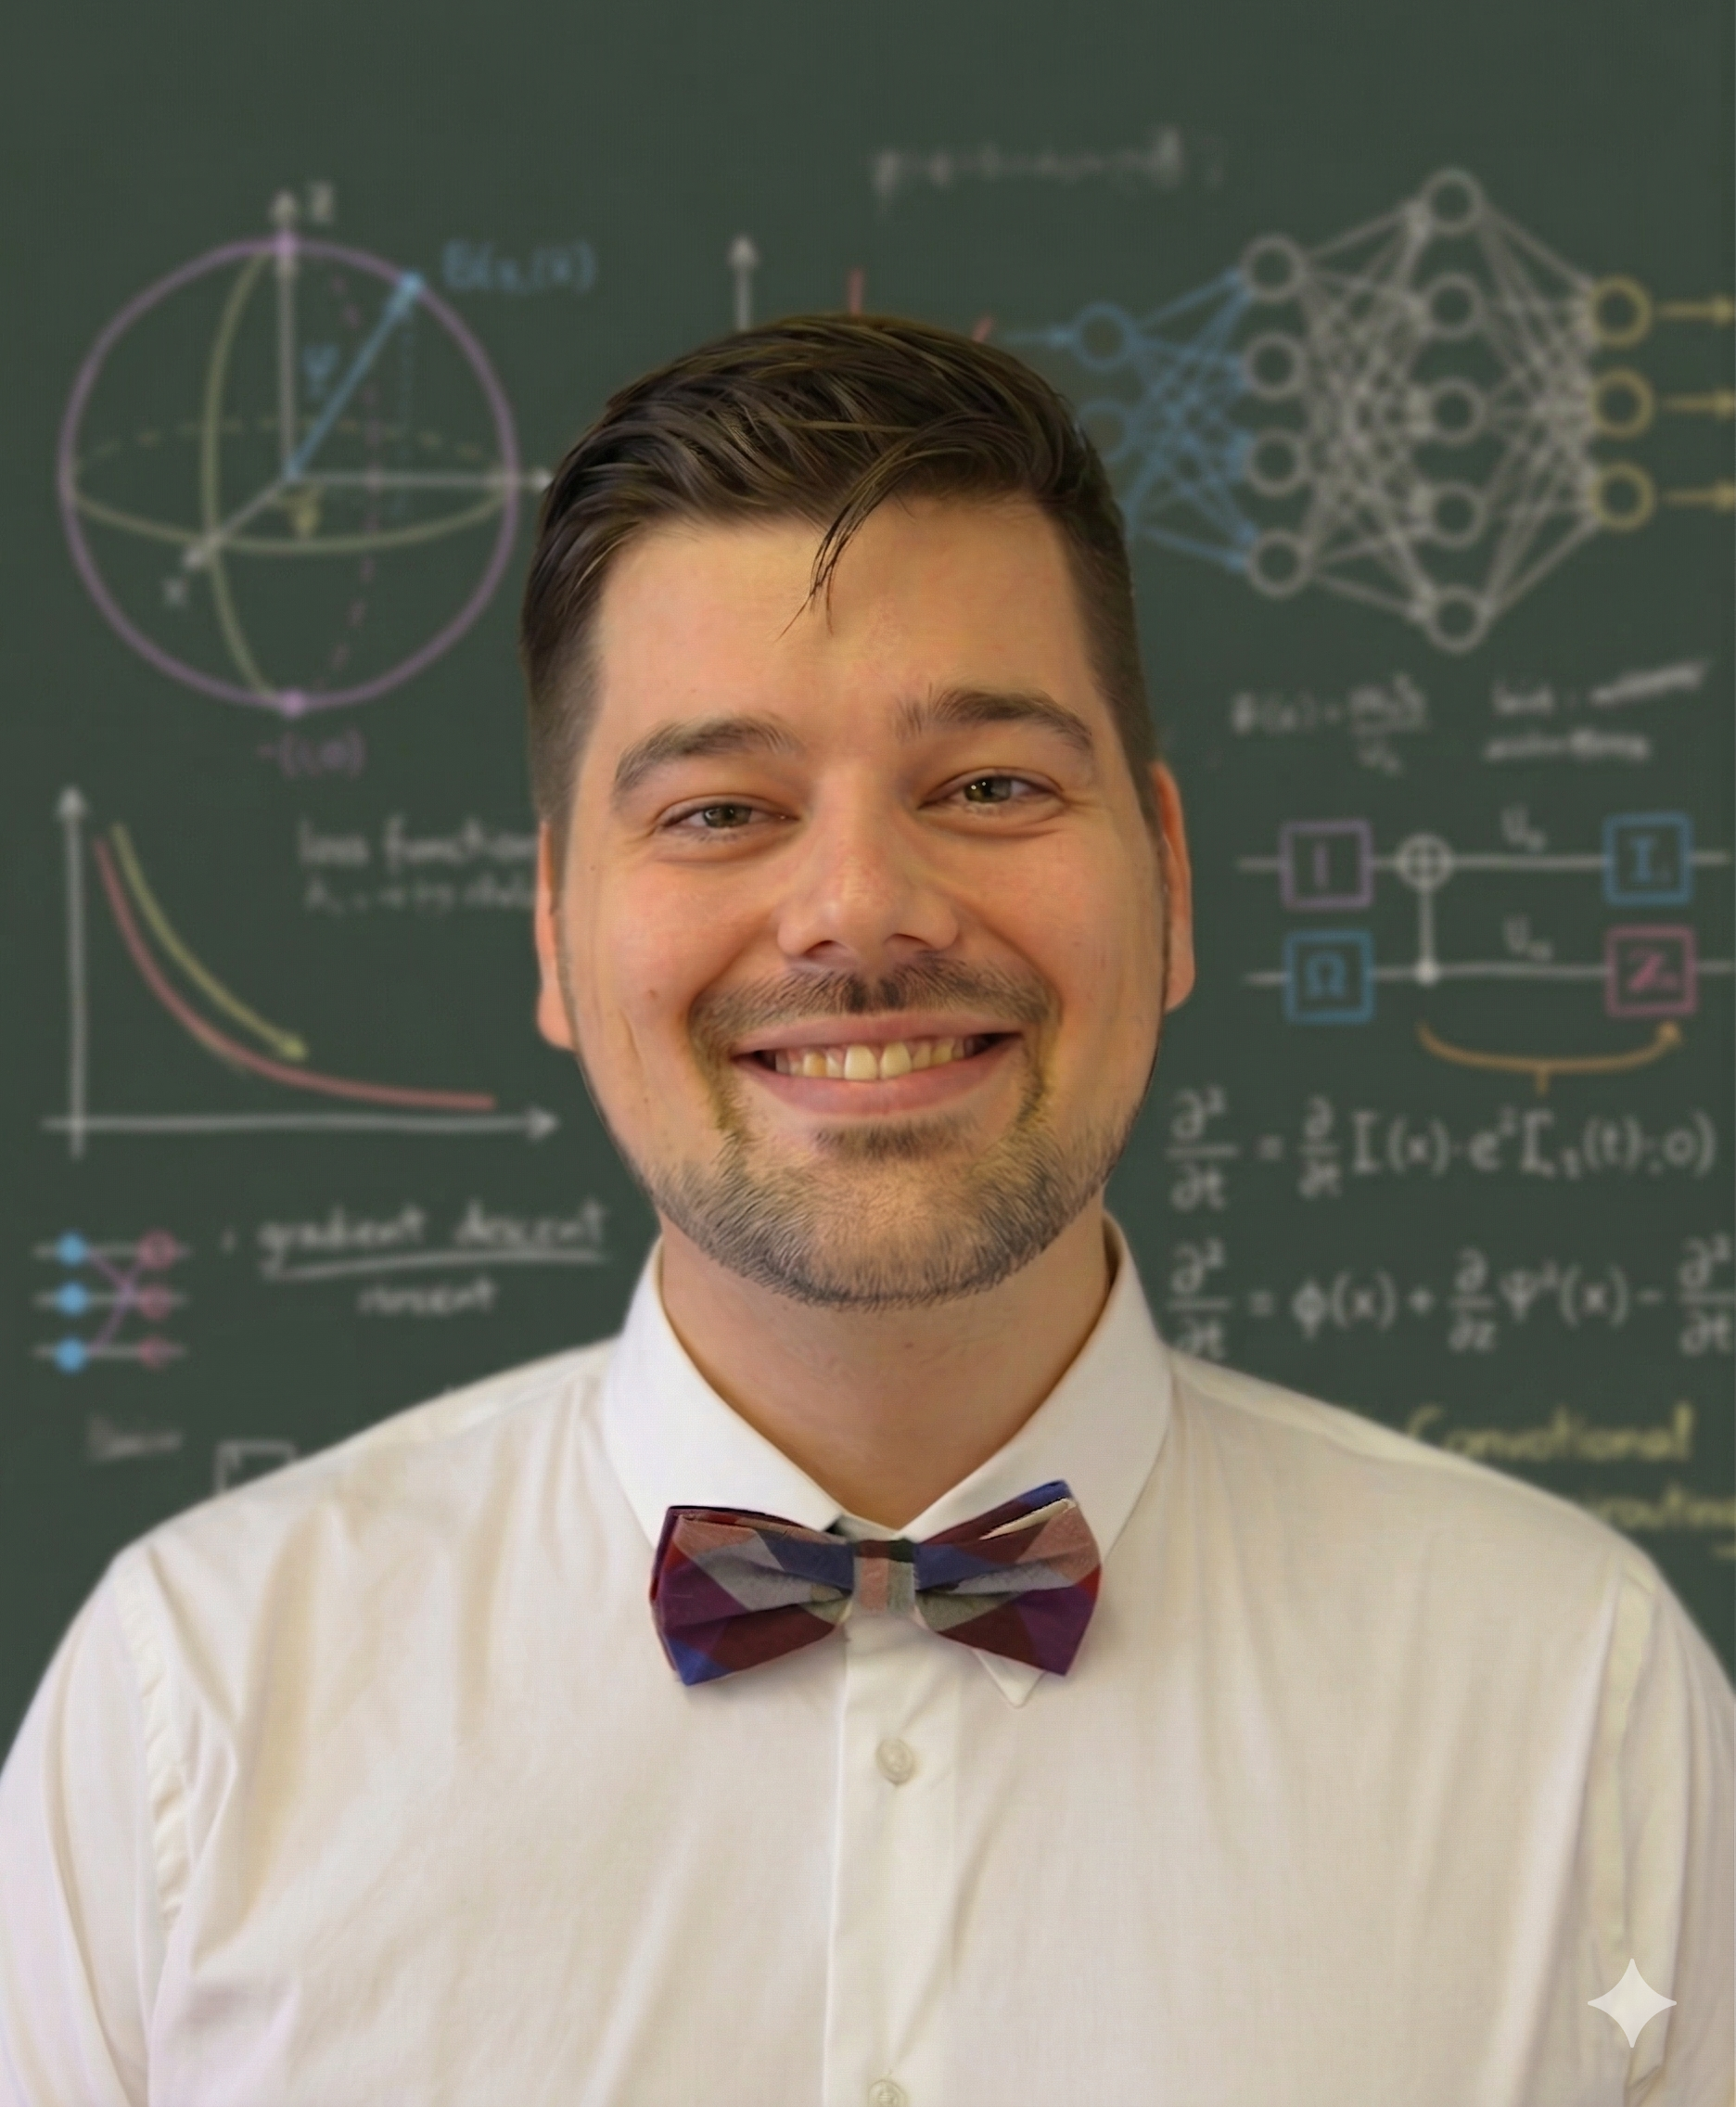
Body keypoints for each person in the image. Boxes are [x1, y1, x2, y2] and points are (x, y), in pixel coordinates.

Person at [1, 316, 1730, 2107]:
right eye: (721, 808)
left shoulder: (1577, 1709)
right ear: (550, 932)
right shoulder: (184, 1715)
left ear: (1173, 883)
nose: (858, 910)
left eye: (990, 786)